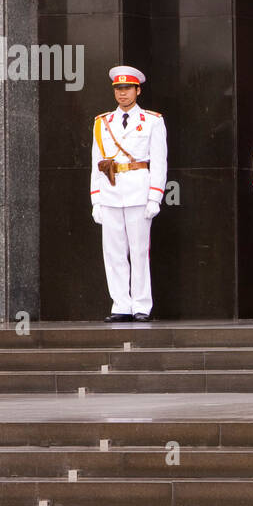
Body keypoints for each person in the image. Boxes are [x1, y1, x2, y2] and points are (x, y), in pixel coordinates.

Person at [90, 65, 167, 322]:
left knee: (138, 251)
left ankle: (141, 305)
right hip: (110, 191)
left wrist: (155, 196)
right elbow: (97, 162)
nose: (122, 94)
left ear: (138, 90)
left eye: (127, 88)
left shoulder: (153, 120)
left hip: (138, 190)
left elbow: (159, 161)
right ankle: (121, 304)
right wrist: (96, 199)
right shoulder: (103, 122)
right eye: (118, 89)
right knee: (113, 252)